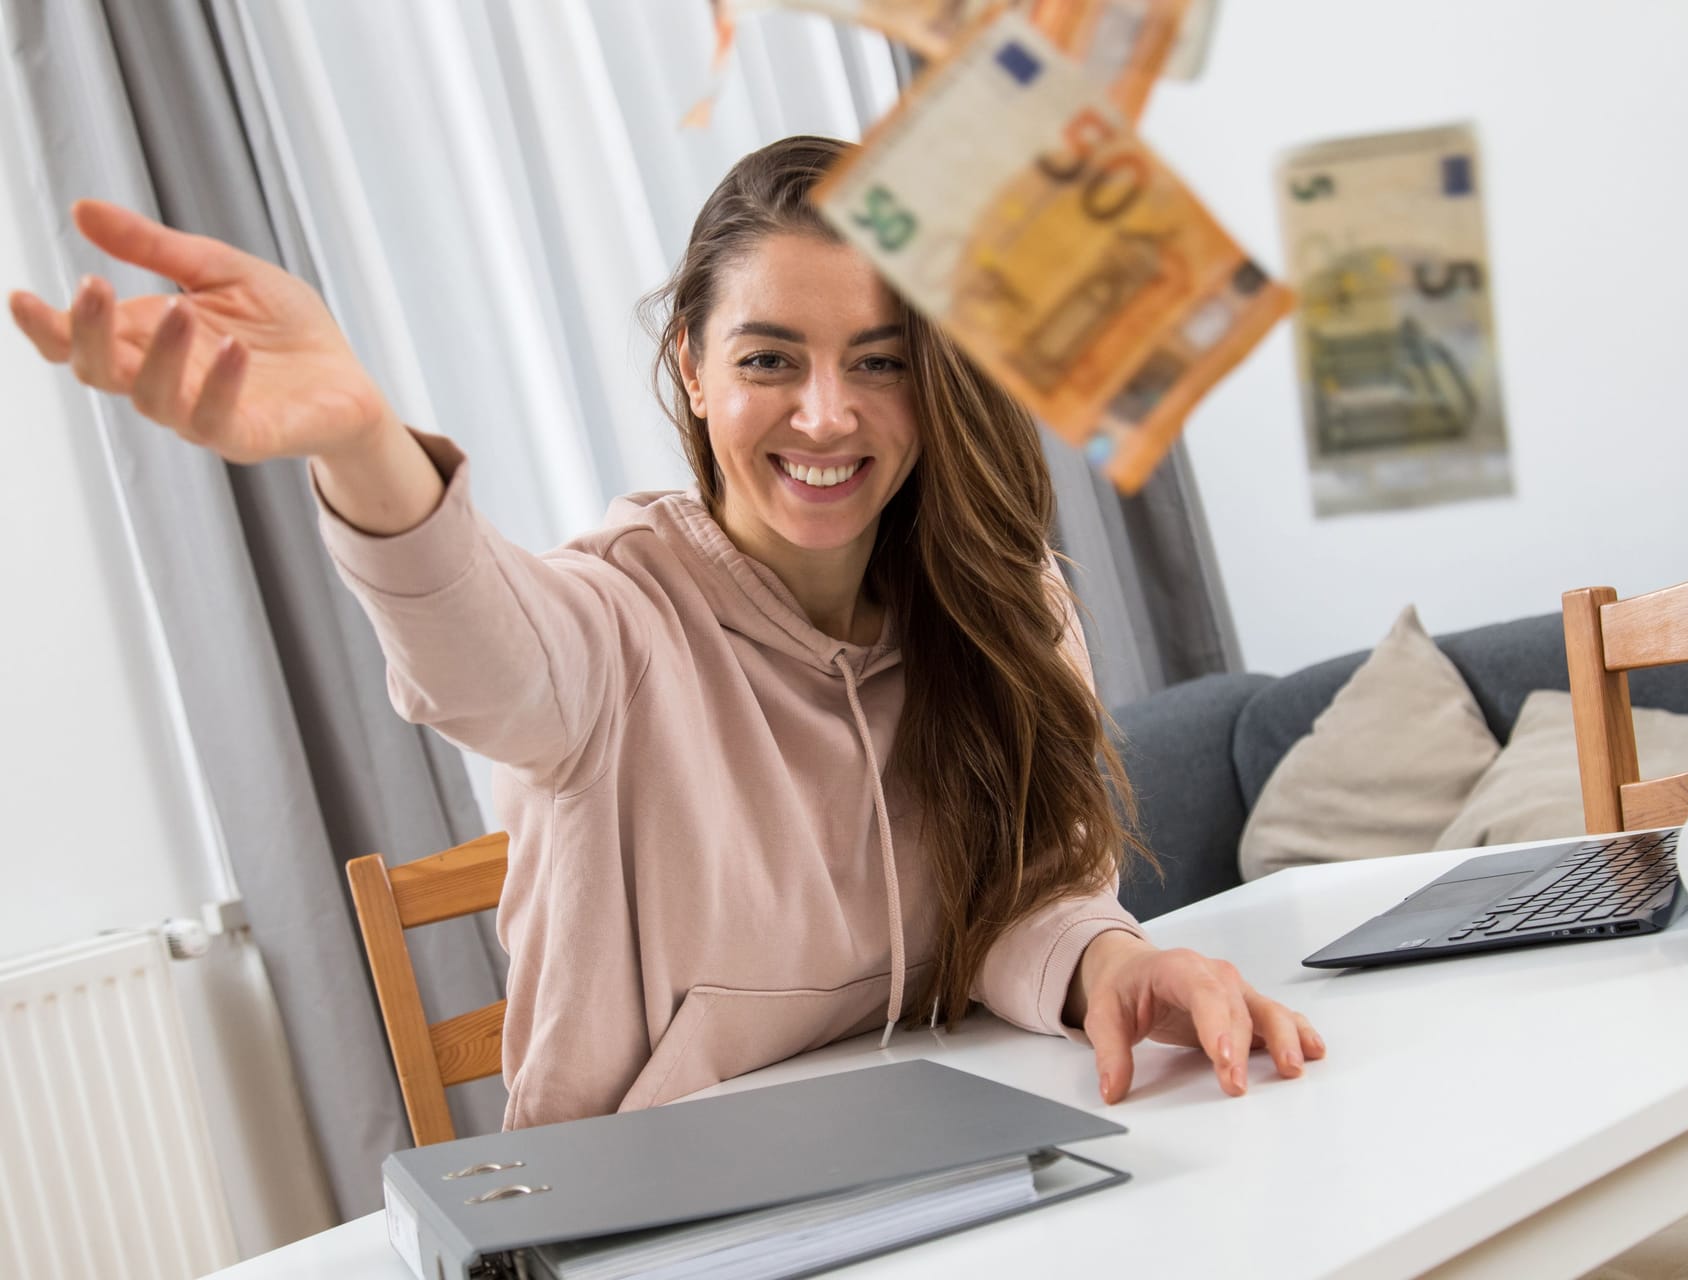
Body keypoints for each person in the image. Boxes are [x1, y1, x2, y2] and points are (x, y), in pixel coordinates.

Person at [8, 134, 1325, 1129]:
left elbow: (1023, 901)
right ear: (692, 371)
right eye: (768, 359)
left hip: (949, 1162)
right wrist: (361, 440)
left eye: (878, 358)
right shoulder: (618, 619)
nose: (826, 414)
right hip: (654, 1221)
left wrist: (1112, 961)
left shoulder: (1002, 606)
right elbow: (482, 648)